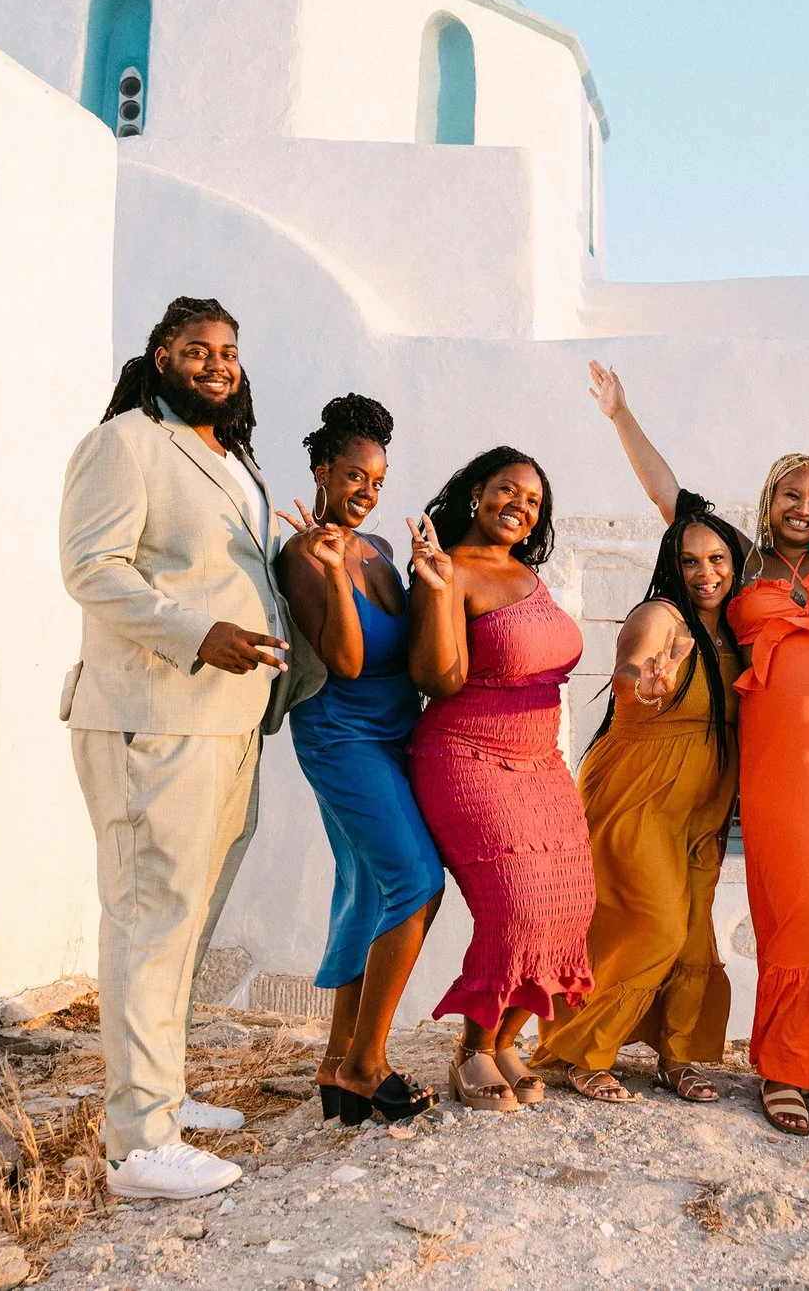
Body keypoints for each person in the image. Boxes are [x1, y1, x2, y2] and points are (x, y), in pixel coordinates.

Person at [588, 309, 809, 1138]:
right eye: (791, 494)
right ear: (769, 496)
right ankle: (787, 1062)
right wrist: (621, 416)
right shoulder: (737, 560)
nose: (805, 508)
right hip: (779, 759)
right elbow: (668, 497)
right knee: (798, 900)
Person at [58, 296, 321, 1201]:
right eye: (198, 349)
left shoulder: (228, 456)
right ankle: (137, 1143)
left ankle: (160, 1097)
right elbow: (92, 569)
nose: (218, 363)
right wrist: (195, 630)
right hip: (153, 714)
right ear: (161, 355)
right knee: (149, 915)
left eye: (230, 351)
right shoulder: (126, 442)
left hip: (229, 719)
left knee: (188, 915)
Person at [536, 497, 750, 1105]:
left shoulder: (736, 627)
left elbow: (670, 492)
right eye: (688, 561)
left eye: (716, 558)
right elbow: (632, 669)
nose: (704, 572)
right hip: (638, 792)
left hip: (705, 804)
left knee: (691, 934)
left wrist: (621, 416)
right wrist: (644, 685)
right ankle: (584, 1051)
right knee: (655, 926)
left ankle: (677, 1056)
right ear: (670, 567)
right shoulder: (661, 616)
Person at [272, 394, 445, 1127]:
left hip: (393, 733)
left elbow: (411, 651)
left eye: (376, 480)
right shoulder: (303, 554)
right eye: (353, 476)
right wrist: (336, 572)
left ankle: (338, 1059)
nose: (366, 492)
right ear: (320, 470)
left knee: (369, 886)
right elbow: (344, 658)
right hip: (341, 736)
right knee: (416, 879)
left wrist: (428, 576)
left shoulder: (375, 547)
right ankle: (369, 1064)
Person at [405, 447, 594, 1112]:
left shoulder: (526, 573)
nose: (519, 504)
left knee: (571, 904)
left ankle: (506, 1039)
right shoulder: (449, 566)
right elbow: (439, 678)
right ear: (476, 491)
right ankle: (472, 1053)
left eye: (533, 500)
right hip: (466, 754)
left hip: (541, 762)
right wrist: (433, 588)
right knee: (513, 904)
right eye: (507, 489)